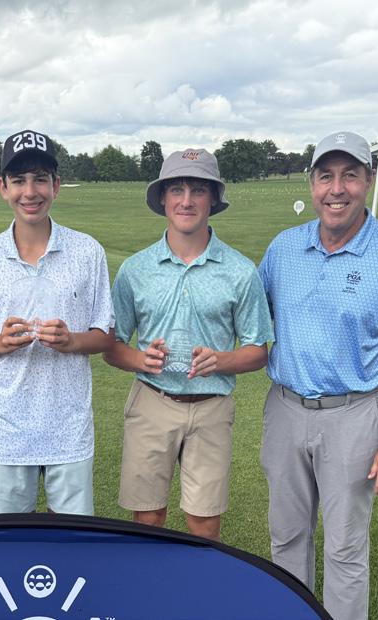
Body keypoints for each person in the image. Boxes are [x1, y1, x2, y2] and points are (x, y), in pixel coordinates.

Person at [258, 131, 378, 620]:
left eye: (350, 176)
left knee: (344, 546)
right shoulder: (284, 248)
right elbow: (248, 319)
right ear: (312, 184)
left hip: (355, 414)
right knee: (286, 536)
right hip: (285, 407)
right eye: (326, 176)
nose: (336, 189)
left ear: (369, 181)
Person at [104, 149, 273, 540]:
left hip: (212, 406)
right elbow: (111, 345)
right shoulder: (135, 269)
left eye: (198, 190)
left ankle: (198, 582)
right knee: (148, 517)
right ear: (163, 198)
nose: (187, 200)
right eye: (177, 189)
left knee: (204, 521)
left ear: (213, 199)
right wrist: (140, 360)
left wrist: (221, 360)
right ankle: (150, 579)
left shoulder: (240, 271)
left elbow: (257, 351)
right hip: (152, 400)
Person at [0, 129, 114, 515]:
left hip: (69, 427)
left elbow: (105, 334)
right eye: (19, 180)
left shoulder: (87, 251)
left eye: (40, 179)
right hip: (8, 429)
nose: (30, 192)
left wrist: (72, 341)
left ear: (55, 185)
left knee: (74, 540)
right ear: (3, 187)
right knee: (11, 539)